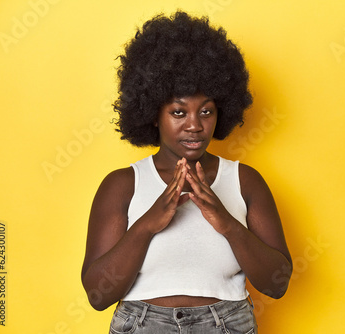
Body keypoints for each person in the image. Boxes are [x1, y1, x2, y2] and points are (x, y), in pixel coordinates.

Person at [81, 11, 292, 334]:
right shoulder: (122, 185)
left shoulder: (244, 181)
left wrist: (227, 224)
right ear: (153, 114)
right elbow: (98, 295)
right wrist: (147, 225)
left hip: (227, 324)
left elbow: (277, 284)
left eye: (206, 111)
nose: (194, 125)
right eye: (178, 112)